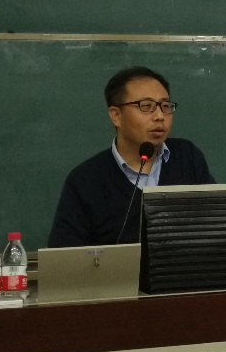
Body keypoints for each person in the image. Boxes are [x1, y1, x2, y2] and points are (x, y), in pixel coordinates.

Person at [47, 66, 216, 247]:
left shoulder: (187, 157)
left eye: (165, 106)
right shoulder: (85, 180)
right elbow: (64, 255)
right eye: (146, 106)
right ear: (116, 116)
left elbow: (217, 224)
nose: (160, 116)